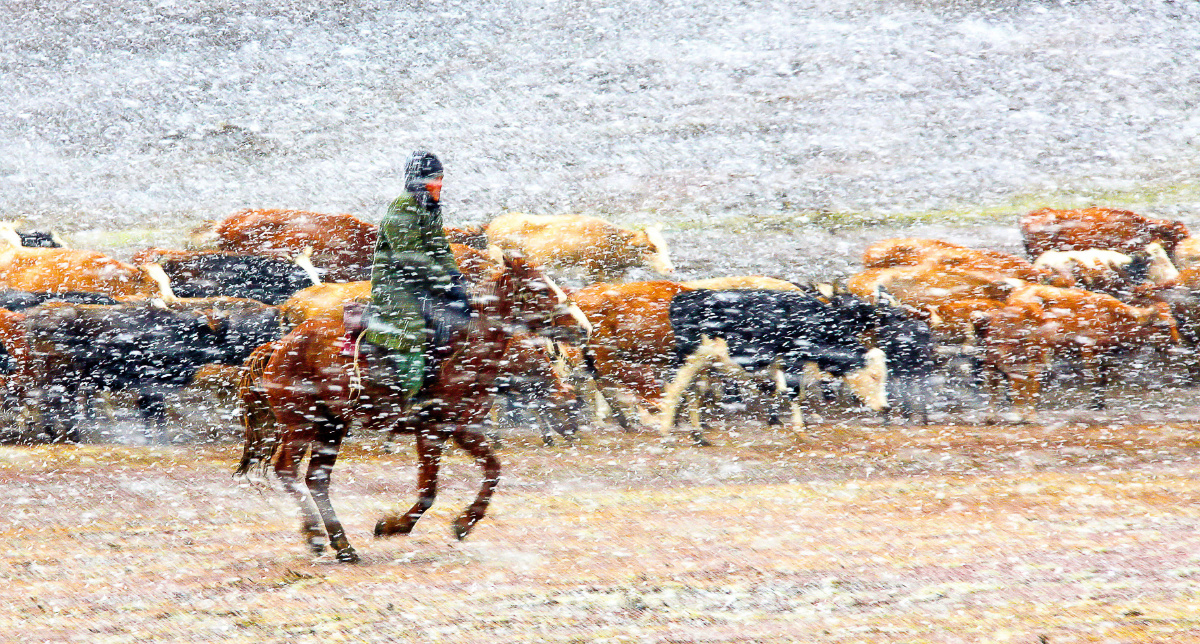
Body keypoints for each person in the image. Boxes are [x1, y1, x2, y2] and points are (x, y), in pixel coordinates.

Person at [360, 150, 472, 396]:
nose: (440, 184)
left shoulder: (430, 208)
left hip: (422, 282)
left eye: (441, 178)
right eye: (434, 178)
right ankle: (407, 393)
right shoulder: (402, 209)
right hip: (396, 286)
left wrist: (454, 276)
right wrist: (443, 281)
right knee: (410, 330)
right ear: (419, 181)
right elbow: (408, 255)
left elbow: (439, 247)